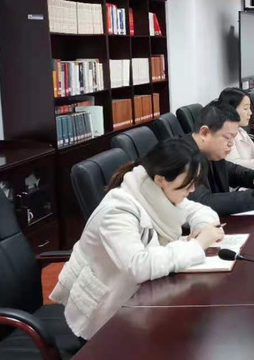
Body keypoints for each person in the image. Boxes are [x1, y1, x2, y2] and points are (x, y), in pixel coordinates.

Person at [50, 139, 225, 340]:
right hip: (104, 315)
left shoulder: (153, 191)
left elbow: (197, 210)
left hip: (139, 300)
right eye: (188, 183)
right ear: (161, 179)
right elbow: (137, 266)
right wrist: (198, 245)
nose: (192, 189)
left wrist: (203, 226)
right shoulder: (118, 210)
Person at [183, 101, 254, 215]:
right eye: (227, 137)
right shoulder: (181, 157)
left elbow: (231, 170)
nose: (231, 144)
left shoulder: (209, 151)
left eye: (233, 138)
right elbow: (202, 202)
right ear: (204, 133)